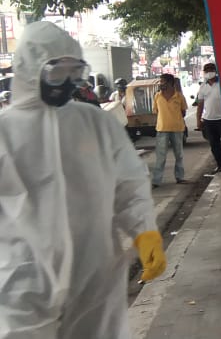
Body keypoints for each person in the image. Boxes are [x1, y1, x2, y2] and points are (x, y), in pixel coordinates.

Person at [0, 22, 166, 338]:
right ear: (28, 69)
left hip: (94, 276)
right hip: (22, 283)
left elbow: (129, 183)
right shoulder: (4, 133)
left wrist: (144, 231)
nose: (66, 82)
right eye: (56, 72)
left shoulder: (95, 122)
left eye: (74, 72)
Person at [151, 74, 189, 188]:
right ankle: (156, 181)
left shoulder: (179, 96)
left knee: (179, 155)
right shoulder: (157, 96)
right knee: (160, 156)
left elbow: (183, 112)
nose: (161, 84)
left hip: (177, 129)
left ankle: (180, 177)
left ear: (170, 83)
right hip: (162, 129)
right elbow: (156, 111)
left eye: (163, 82)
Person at [196, 63, 221, 173]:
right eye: (206, 70)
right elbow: (200, 105)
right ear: (204, 72)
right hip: (209, 120)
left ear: (215, 71)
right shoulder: (203, 86)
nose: (209, 72)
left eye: (211, 70)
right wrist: (198, 120)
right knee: (214, 145)